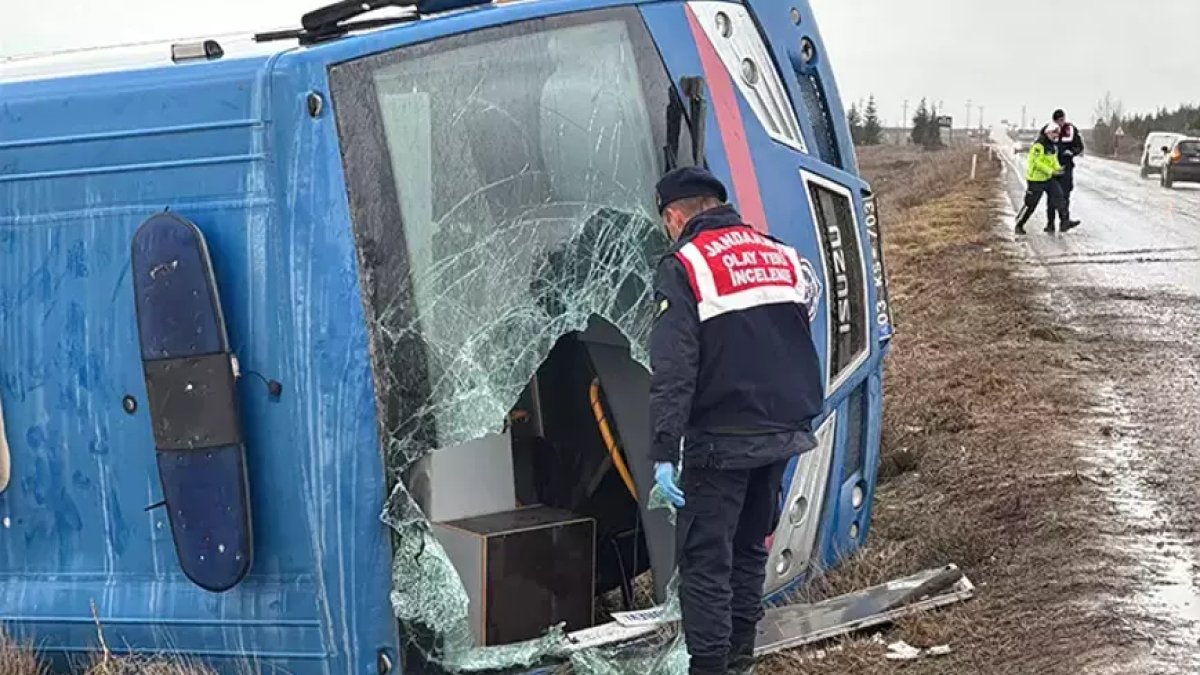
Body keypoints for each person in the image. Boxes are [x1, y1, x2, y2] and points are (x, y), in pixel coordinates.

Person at [648, 166, 824, 675]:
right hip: (782, 432)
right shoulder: (780, 254)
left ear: (675, 215)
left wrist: (663, 450)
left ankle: (709, 668)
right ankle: (740, 661)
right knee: (748, 551)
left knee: (706, 561)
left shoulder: (685, 264)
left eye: (665, 222)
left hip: (720, 439)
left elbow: (675, 366)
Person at [1015, 124, 1078, 235]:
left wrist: (1059, 169)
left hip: (1049, 179)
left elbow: (1053, 161)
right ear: (1048, 133)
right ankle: (1019, 224)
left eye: (1057, 133)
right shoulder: (1038, 146)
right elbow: (1037, 162)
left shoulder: (1052, 146)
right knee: (1031, 204)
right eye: (1054, 133)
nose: (1056, 136)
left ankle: (1065, 222)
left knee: (1060, 198)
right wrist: (1051, 171)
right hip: (1036, 179)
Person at [1048, 109, 1084, 230]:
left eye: (1062, 120)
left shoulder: (1071, 130)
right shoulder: (1048, 130)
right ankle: (1050, 223)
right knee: (1052, 195)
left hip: (1066, 166)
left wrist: (1072, 152)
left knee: (1065, 194)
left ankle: (1064, 221)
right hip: (1052, 168)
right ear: (1054, 121)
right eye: (1058, 121)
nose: (1060, 123)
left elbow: (1079, 146)